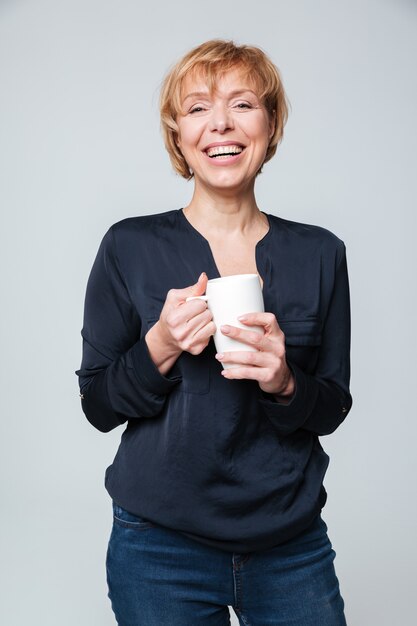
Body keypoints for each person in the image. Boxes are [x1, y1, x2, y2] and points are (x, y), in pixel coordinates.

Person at [76, 39, 352, 626]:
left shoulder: (321, 253)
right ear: (177, 134)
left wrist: (283, 382)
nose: (220, 123)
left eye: (243, 104)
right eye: (198, 107)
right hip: (159, 547)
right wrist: (161, 346)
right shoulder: (128, 246)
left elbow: (330, 407)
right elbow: (97, 404)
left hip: (290, 543)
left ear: (270, 125)